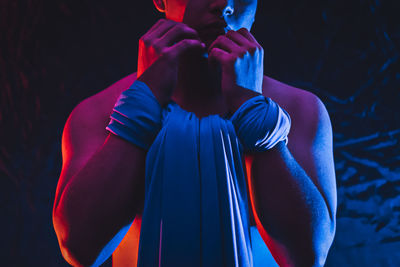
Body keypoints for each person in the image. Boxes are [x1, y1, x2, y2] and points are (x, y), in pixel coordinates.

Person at [52, 0, 337, 266]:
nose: (223, 4)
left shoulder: (299, 111)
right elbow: (79, 250)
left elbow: (308, 256)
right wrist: (138, 110)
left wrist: (256, 116)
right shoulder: (99, 115)